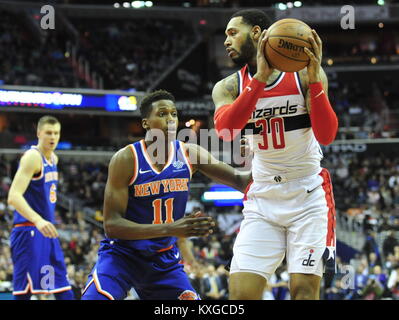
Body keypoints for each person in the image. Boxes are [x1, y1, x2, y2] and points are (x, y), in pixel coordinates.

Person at [212, 9, 339, 300]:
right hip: (263, 196)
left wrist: (315, 82)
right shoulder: (228, 87)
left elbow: (327, 136)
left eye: (233, 33)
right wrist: (258, 80)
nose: (226, 41)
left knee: (304, 292)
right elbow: (226, 131)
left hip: (307, 195)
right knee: (241, 295)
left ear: (257, 33)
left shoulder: (305, 75)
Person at [81, 90, 251, 300]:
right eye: (162, 114)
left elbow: (241, 181)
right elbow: (112, 226)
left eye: (173, 114)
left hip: (164, 261)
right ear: (145, 123)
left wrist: (261, 155)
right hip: (122, 256)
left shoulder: (190, 153)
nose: (170, 119)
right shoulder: (126, 159)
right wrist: (170, 228)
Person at [7, 115, 74, 300]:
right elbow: (13, 196)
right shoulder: (32, 157)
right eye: (48, 133)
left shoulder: (54, 158)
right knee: (24, 292)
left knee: (62, 287)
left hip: (47, 233)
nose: (53, 137)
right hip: (28, 231)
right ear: (38, 133)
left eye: (56, 133)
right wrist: (37, 220)